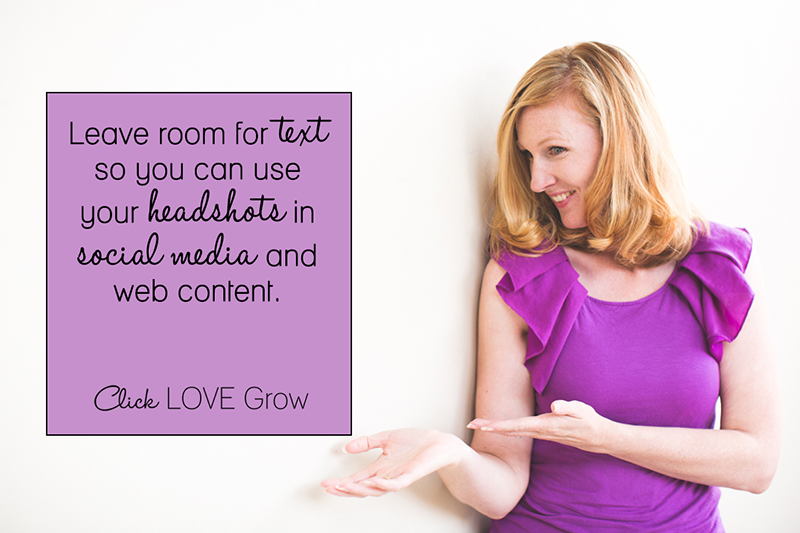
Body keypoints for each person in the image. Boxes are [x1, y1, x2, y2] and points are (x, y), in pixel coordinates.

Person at [321, 42, 781, 532]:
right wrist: (452, 457)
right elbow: (501, 487)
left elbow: (757, 464)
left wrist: (607, 437)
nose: (538, 179)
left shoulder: (714, 268)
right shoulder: (524, 277)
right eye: (528, 156)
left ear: (622, 140)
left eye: (555, 150)